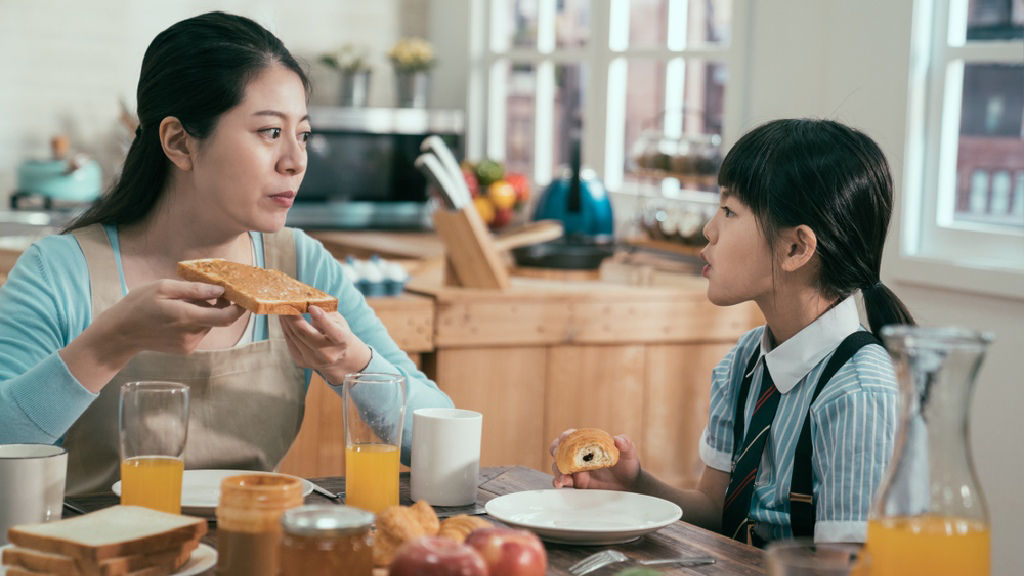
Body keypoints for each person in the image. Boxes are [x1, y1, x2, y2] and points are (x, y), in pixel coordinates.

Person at [0, 11, 453, 495]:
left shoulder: (301, 265)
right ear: (179, 142)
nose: (297, 161)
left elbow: (442, 436)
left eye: (303, 134)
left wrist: (356, 365)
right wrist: (108, 343)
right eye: (270, 132)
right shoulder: (59, 271)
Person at [549, 119, 915, 546]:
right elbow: (718, 509)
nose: (709, 229)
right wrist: (636, 486)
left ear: (796, 248)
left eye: (728, 210)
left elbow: (851, 567)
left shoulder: (858, 393)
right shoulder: (744, 362)